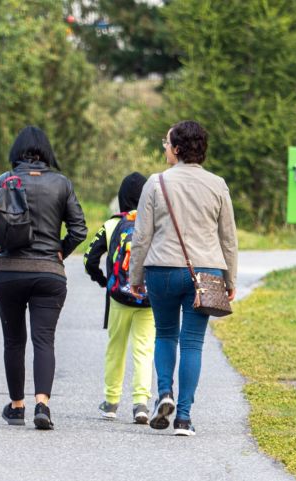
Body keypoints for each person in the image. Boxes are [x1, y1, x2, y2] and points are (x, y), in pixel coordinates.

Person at [129, 120, 238, 437]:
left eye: (166, 144)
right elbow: (228, 238)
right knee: (192, 343)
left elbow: (141, 236)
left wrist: (136, 275)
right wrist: (230, 279)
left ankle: (164, 393)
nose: (165, 148)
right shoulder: (217, 185)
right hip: (206, 273)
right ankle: (184, 419)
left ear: (177, 149)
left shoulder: (156, 183)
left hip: (161, 269)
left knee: (165, 334)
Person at [0, 125, 88, 430]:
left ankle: (17, 407)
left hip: (9, 271)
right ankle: (42, 404)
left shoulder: (4, 181)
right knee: (44, 339)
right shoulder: (62, 183)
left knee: (13, 340)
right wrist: (60, 250)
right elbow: (79, 229)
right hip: (49, 273)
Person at [83, 172, 154, 424]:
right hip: (149, 298)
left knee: (116, 348)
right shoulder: (155, 224)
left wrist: (104, 281)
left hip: (118, 297)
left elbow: (89, 259)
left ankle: (111, 402)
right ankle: (141, 404)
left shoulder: (112, 224)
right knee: (144, 349)